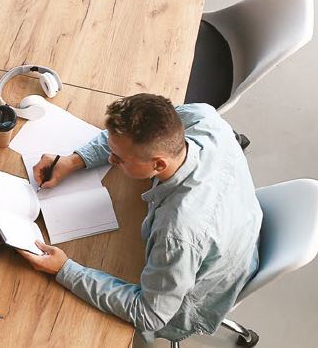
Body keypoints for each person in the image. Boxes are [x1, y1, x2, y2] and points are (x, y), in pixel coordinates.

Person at [20, 95, 262, 344]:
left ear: (158, 164)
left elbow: (150, 314)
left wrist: (65, 269)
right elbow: (126, 141)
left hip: (204, 287)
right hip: (237, 222)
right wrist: (75, 161)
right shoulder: (204, 117)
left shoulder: (177, 234)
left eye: (119, 159)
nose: (111, 160)